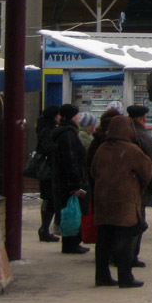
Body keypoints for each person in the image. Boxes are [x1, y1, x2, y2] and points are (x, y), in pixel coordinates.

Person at [91, 115, 152, 288]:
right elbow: (147, 171)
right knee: (123, 240)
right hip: (124, 203)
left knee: (103, 241)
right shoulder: (132, 150)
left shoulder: (103, 148)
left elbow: (93, 171)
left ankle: (102, 276)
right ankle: (125, 277)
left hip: (103, 201)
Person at [51, 103, 90, 254]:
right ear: (71, 117)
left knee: (69, 209)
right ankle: (71, 242)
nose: (79, 118)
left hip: (62, 180)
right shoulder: (68, 135)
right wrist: (75, 184)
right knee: (72, 210)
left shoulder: (63, 133)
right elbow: (71, 159)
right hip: (69, 181)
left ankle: (70, 242)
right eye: (77, 115)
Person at [127, 104, 152, 269]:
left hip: (122, 188)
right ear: (142, 118)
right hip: (139, 188)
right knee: (137, 222)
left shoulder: (120, 135)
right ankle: (131, 256)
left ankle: (118, 255)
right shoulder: (144, 137)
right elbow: (151, 164)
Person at [34, 105, 61, 242]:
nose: (59, 118)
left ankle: (44, 228)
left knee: (48, 199)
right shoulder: (47, 130)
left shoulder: (44, 128)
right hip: (49, 171)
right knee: (49, 199)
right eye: (58, 115)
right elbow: (47, 148)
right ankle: (44, 228)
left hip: (47, 170)